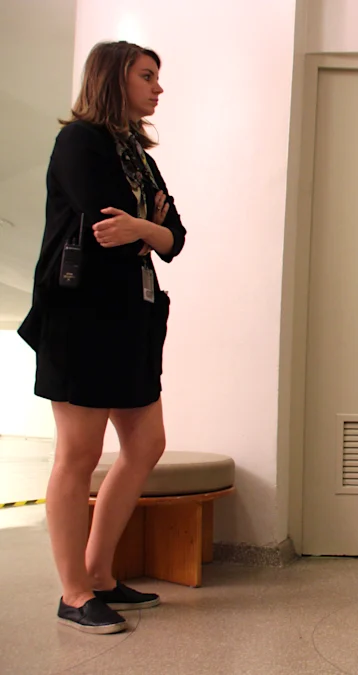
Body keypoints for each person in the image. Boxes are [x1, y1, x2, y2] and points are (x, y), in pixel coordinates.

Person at [17, 41, 186, 634]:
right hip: (80, 317)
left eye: (157, 78)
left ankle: (99, 573)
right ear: (113, 78)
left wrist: (148, 228)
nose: (157, 88)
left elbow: (178, 237)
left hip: (130, 318)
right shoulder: (81, 141)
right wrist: (150, 225)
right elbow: (102, 221)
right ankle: (72, 592)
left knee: (146, 444)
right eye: (147, 76)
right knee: (79, 455)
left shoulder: (135, 153)